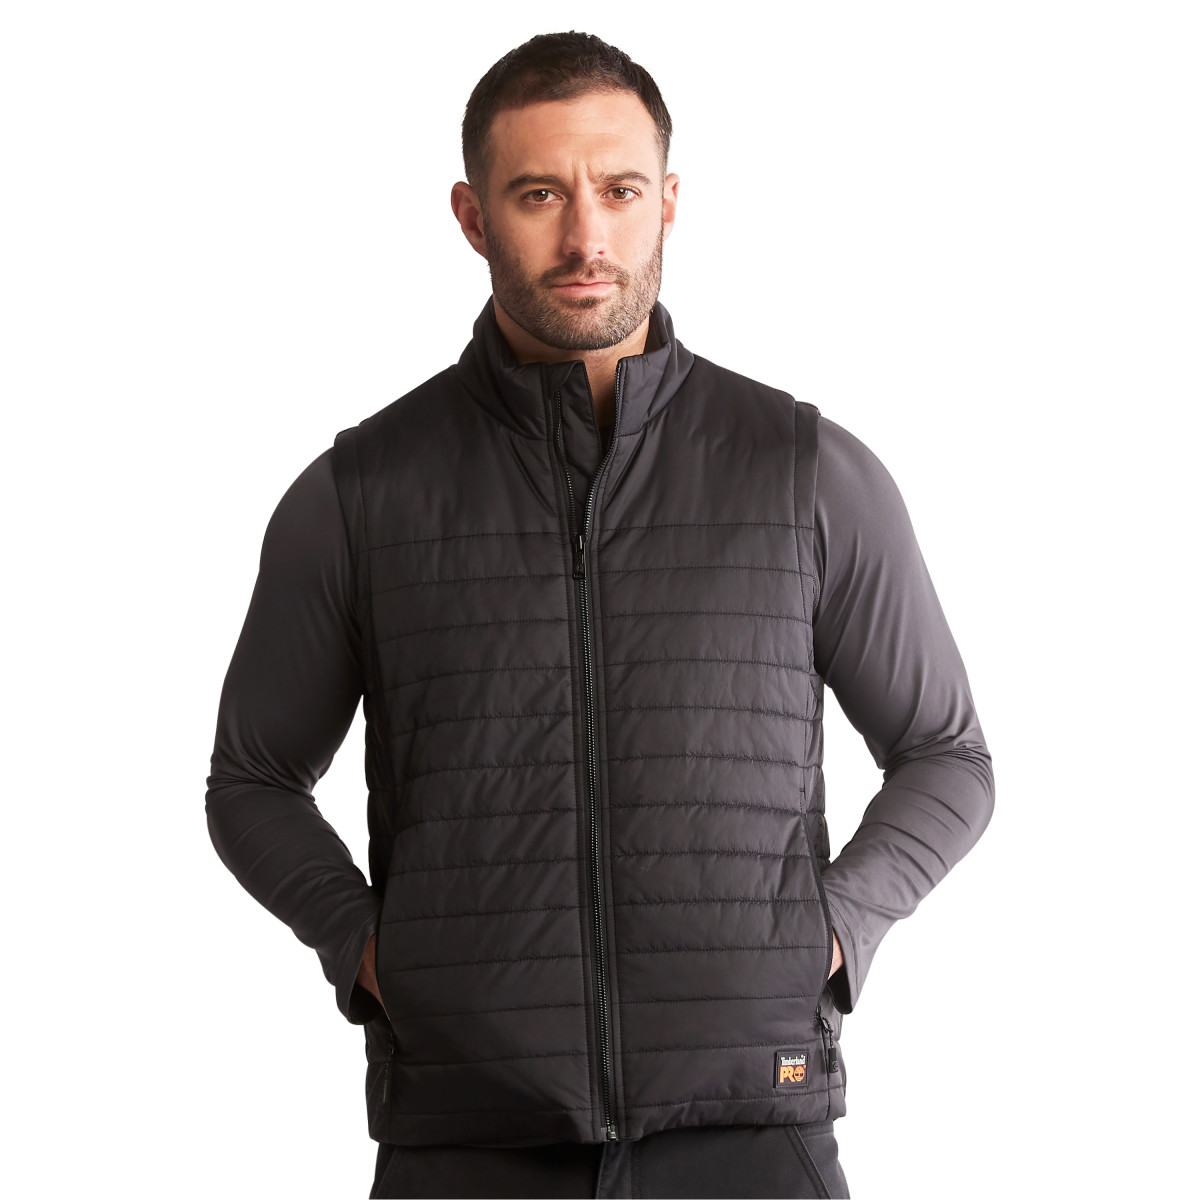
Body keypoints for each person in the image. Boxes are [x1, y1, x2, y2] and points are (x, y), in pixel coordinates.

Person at [205, 30, 995, 1200]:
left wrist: (827, 934)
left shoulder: (803, 472)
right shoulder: (363, 493)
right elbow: (252, 780)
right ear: (473, 217)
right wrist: (371, 950)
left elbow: (946, 756)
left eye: (620, 191)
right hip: (466, 1138)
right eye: (540, 195)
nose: (587, 237)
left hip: (751, 1131)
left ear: (667, 202)